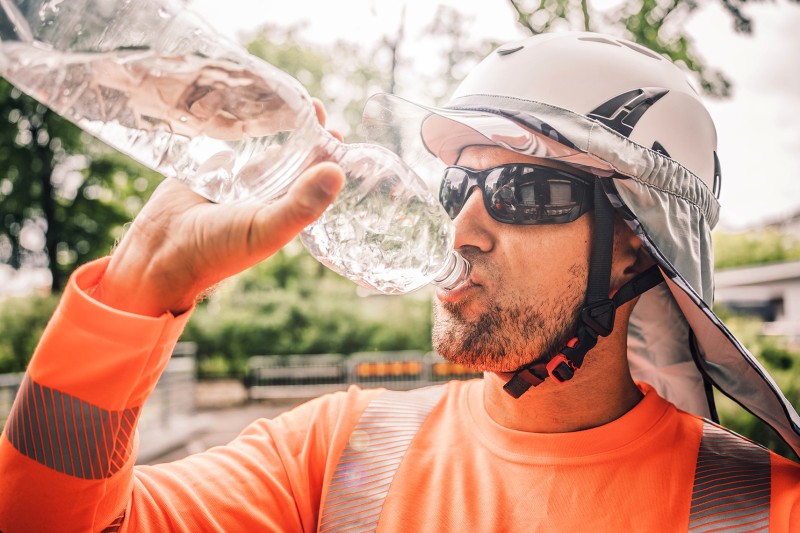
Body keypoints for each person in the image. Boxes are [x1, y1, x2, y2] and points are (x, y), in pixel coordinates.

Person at [1, 31, 799, 532]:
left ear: (636, 244)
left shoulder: (761, 509)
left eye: (522, 190)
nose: (464, 227)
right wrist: (141, 281)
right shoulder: (335, 453)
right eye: (458, 186)